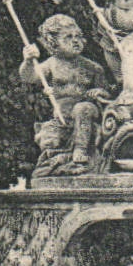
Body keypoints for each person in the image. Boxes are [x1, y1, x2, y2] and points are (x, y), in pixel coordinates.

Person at [19, 14, 109, 176]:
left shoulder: (93, 68)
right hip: (62, 118)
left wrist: (99, 92)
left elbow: (107, 96)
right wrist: (27, 61)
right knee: (49, 141)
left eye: (78, 36)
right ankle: (62, 160)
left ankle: (80, 151)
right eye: (68, 37)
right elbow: (30, 77)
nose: (75, 41)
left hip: (88, 115)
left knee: (82, 108)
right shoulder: (51, 64)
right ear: (53, 43)